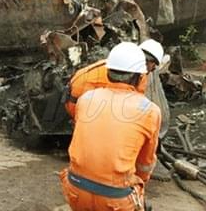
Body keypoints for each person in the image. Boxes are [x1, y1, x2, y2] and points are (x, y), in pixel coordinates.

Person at [60, 42, 162, 211]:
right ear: (139, 76)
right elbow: (145, 164)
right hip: (115, 201)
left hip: (75, 191)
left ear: (108, 71)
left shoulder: (86, 99)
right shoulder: (150, 111)